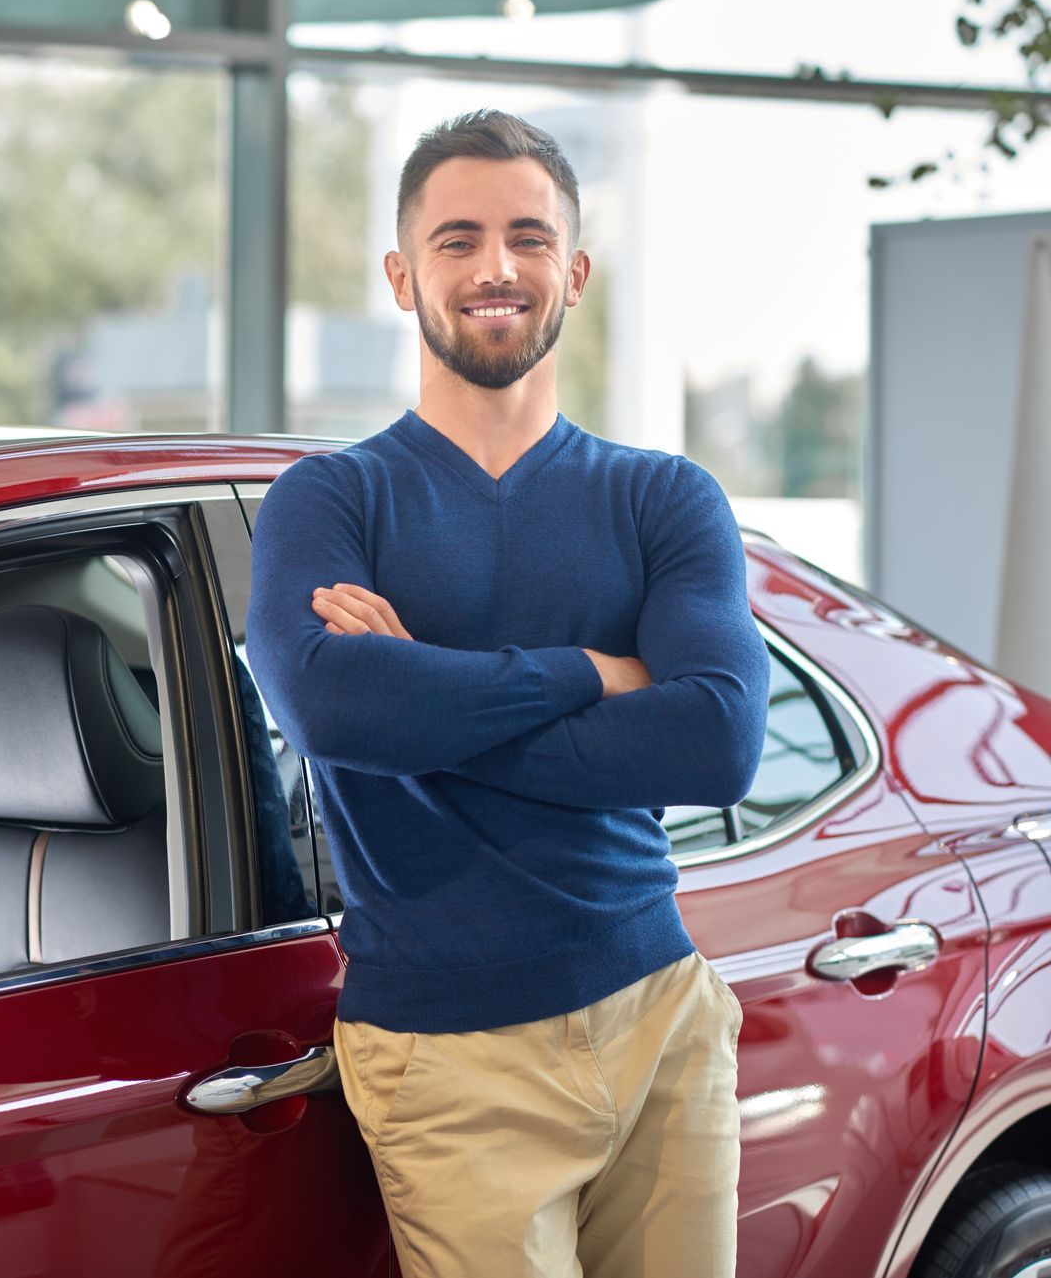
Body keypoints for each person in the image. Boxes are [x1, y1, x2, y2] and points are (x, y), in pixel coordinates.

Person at [243, 108, 766, 1278]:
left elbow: (720, 739)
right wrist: (593, 673)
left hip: (660, 1015)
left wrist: (419, 699)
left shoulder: (664, 499)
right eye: (458, 239)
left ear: (572, 272)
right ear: (400, 274)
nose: (496, 269)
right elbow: (335, 712)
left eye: (530, 238)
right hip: (446, 1055)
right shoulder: (328, 504)